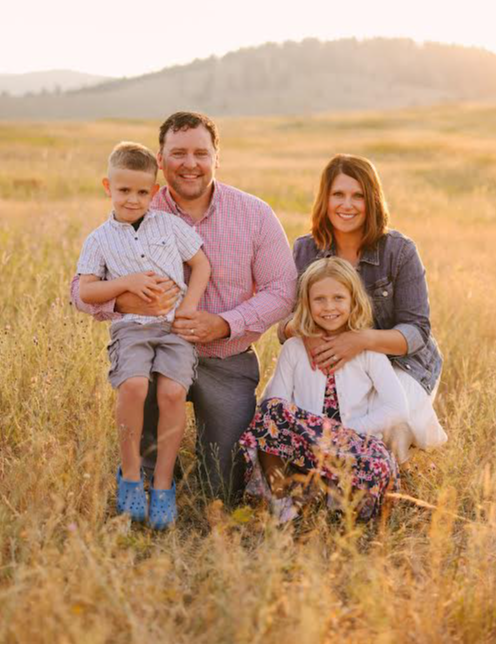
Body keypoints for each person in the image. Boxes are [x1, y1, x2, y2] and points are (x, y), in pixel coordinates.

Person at [71, 112, 298, 504]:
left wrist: (226, 324)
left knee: (221, 491)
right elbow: (80, 289)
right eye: (178, 153)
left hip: (226, 359)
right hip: (155, 353)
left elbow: (284, 289)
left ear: (216, 158)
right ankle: (150, 480)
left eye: (200, 153)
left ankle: (207, 474)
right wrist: (124, 299)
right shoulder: (137, 200)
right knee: (146, 456)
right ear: (160, 159)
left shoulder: (254, 214)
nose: (190, 164)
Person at [76, 141, 211, 529]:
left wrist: (189, 306)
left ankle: (164, 484)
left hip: (173, 328)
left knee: (172, 393)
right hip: (131, 330)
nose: (132, 199)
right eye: (123, 191)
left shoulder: (169, 226)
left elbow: (201, 265)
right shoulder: (99, 238)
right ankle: (132, 476)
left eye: (141, 191)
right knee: (134, 387)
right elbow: (86, 290)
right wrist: (127, 283)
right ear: (108, 187)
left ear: (154, 191)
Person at [280, 154, 448, 464]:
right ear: (325, 199)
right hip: (331, 359)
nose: (348, 205)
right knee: (316, 415)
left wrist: (359, 340)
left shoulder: (398, 250)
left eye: (358, 195)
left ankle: (384, 482)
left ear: (372, 201)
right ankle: (322, 477)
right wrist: (307, 332)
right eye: (338, 194)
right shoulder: (305, 249)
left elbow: (417, 332)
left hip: (401, 362)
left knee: (391, 421)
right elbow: (286, 325)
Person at [240, 257, 407, 524]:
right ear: (306, 304)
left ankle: (337, 503)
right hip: (306, 446)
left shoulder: (368, 352)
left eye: (338, 298)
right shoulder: (295, 348)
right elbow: (276, 403)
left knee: (380, 461)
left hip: (351, 444)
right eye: (319, 300)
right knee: (270, 411)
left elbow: (398, 407)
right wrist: (313, 436)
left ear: (354, 301)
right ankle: (282, 500)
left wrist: (346, 433)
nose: (329, 307)